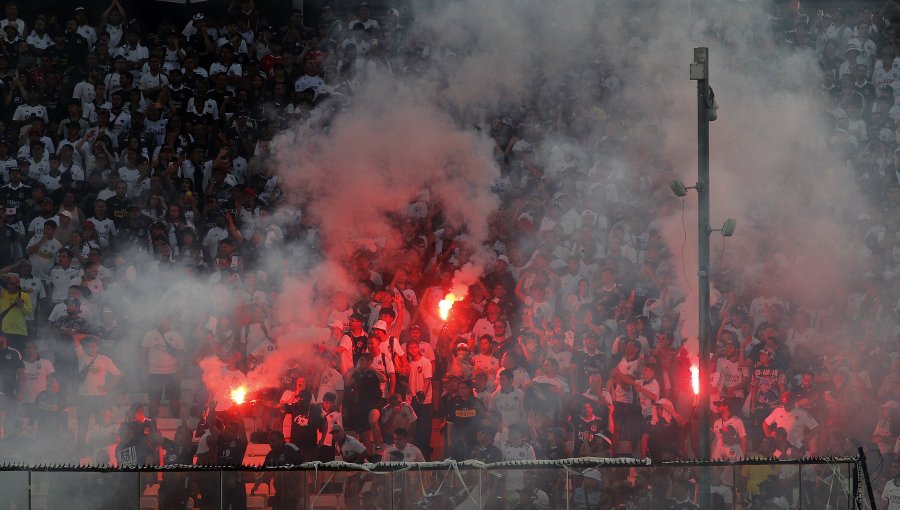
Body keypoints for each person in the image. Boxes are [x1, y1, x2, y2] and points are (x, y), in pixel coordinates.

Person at [253, 430, 303, 510]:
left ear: (281, 440)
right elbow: (265, 472)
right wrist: (256, 485)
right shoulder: (270, 455)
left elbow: (302, 466)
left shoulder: (291, 448)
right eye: (270, 441)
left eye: (273, 441)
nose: (271, 444)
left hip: (294, 493)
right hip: (280, 492)